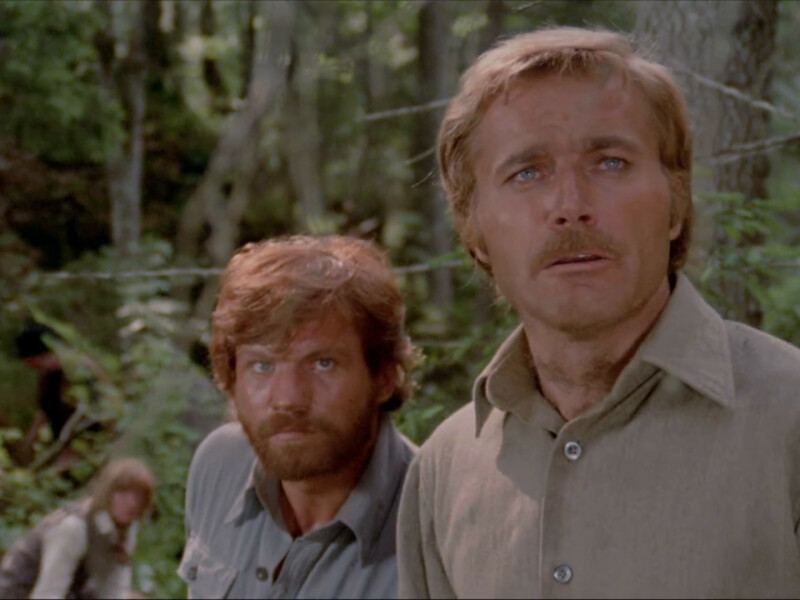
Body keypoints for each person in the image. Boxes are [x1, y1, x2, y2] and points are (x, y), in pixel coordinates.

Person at [396, 26, 800, 598]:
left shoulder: (789, 421)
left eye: (610, 162)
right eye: (526, 173)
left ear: (676, 203)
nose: (570, 206)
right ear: (474, 230)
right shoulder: (446, 468)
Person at [179, 235, 419, 598]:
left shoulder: (433, 519)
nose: (288, 399)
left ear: (384, 377)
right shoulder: (220, 465)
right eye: (262, 365)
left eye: (323, 364)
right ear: (231, 378)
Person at [0, 457, 156, 599]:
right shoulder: (74, 527)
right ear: (107, 494)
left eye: (138, 496)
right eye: (122, 494)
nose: (131, 503)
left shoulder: (123, 529)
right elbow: (48, 592)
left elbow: (113, 588)